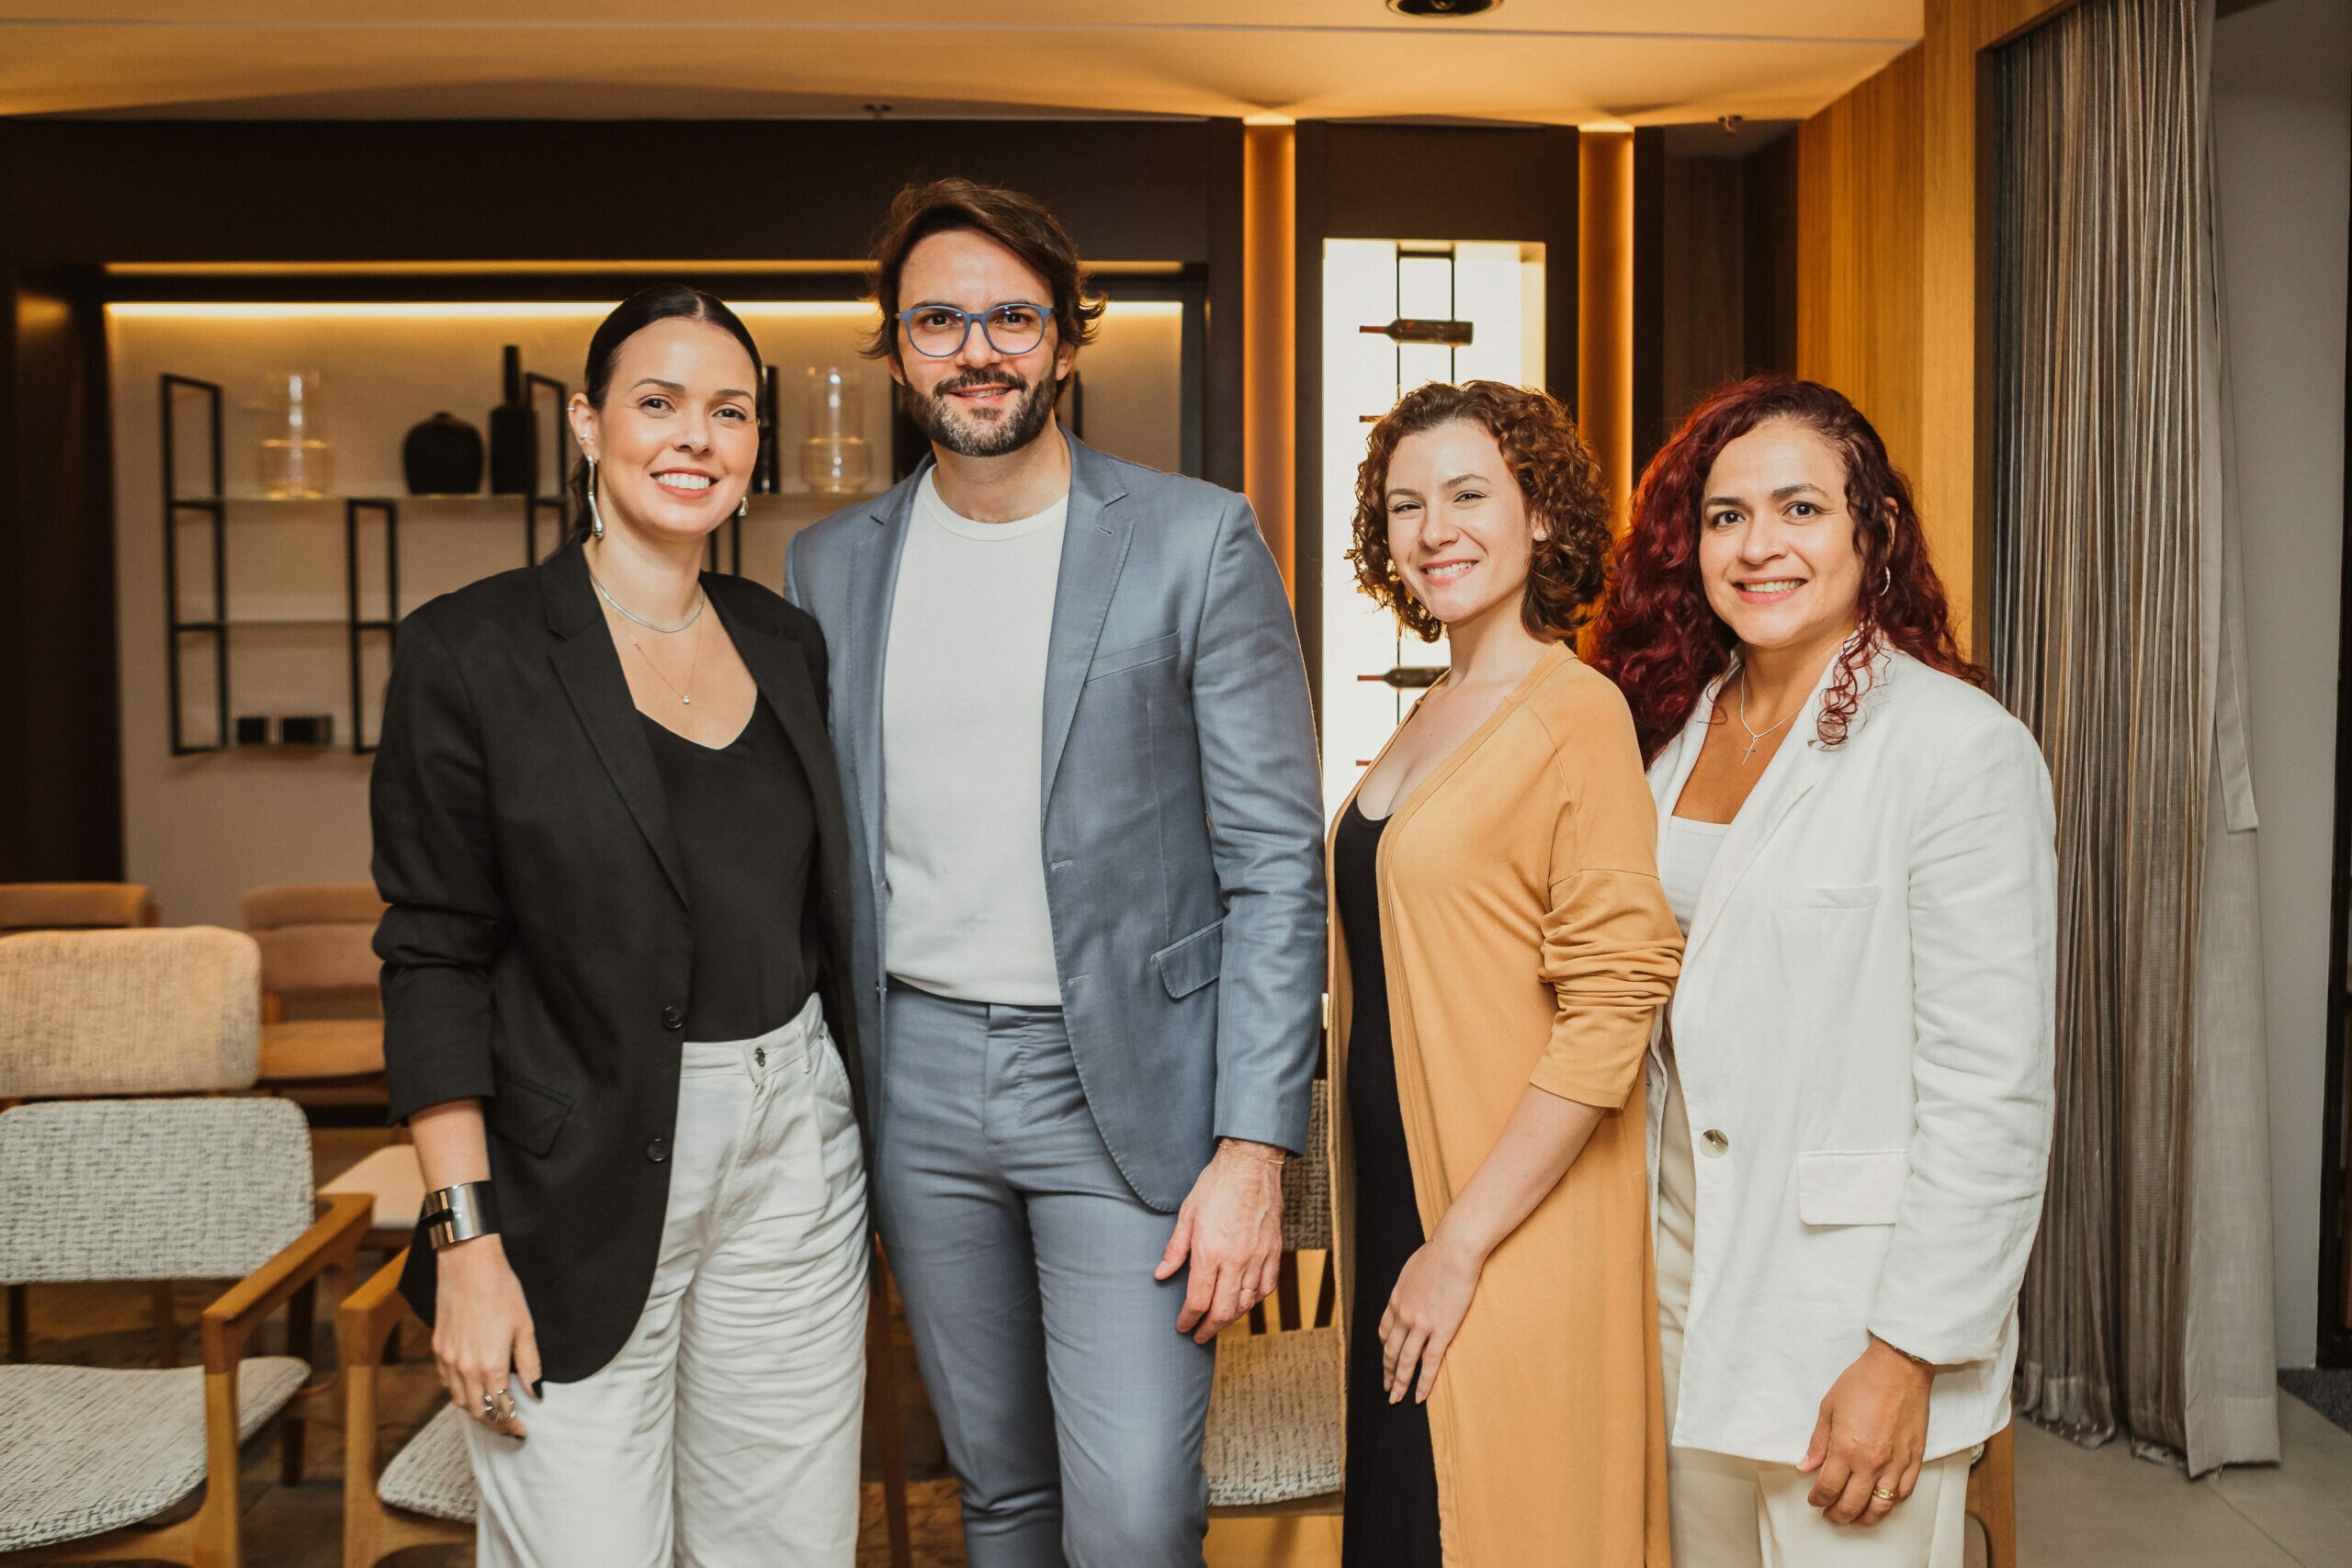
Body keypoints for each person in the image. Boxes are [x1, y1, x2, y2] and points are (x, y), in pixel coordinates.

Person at [785, 177, 1324, 1568]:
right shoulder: (830, 565)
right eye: (940, 319)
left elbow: (1274, 862)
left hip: (1126, 1091)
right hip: (913, 1083)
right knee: (1002, 1491)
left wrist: (1255, 1151)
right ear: (897, 350)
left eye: (1014, 315)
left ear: (1069, 341)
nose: (979, 348)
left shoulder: (1198, 538)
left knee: (1136, 1514)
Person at [372, 285, 869, 1568]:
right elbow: (433, 956)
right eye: (659, 404)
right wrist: (464, 1244)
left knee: (785, 1549)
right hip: (568, 1176)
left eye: (730, 410)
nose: (694, 438)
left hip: (792, 1152)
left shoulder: (787, 642)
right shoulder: (468, 651)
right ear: (589, 424)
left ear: (757, 443)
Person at [1588, 376, 2056, 1568]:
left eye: (1800, 508)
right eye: (1726, 516)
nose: (1759, 547)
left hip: (1844, 1317)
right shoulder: (1669, 728)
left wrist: (1908, 1354)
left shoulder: (1957, 750)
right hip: (1671, 1285)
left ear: (1869, 531)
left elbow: (1991, 1090)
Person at [1332, 378, 1682, 1566]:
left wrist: (1460, 1247)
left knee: (1481, 1529)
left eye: (1469, 494)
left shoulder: (1575, 713)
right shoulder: (1432, 711)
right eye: (1406, 505)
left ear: (1541, 516)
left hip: (1498, 1229)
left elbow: (1612, 1013)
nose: (1436, 530)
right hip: (1399, 1210)